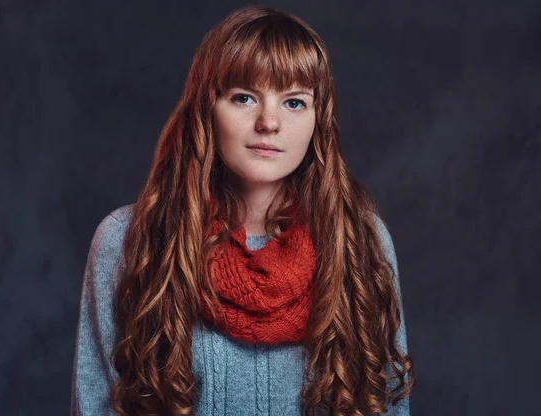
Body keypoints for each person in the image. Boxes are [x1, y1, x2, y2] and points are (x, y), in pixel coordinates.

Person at [70, 5, 415, 416]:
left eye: (294, 102)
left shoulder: (362, 242)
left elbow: (387, 405)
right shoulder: (129, 240)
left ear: (318, 120)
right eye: (245, 97)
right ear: (207, 109)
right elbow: (96, 406)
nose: (269, 122)